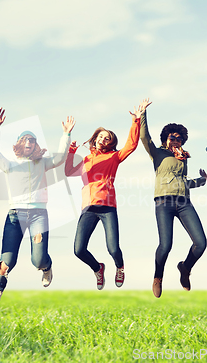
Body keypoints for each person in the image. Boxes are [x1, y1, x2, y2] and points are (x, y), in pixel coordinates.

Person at [0, 109, 75, 311]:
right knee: (7, 261)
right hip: (15, 216)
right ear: (19, 144)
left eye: (32, 140)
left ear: (36, 145)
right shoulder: (10, 165)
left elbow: (61, 158)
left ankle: (47, 267)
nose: (29, 142)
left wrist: (66, 134)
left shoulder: (42, 163)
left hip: (38, 215)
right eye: (25, 140)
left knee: (38, 259)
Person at [64, 100, 145, 290]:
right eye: (101, 136)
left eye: (107, 138)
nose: (103, 139)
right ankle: (97, 268)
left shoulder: (114, 157)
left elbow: (131, 145)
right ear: (95, 138)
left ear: (111, 143)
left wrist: (136, 121)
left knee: (113, 248)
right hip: (88, 208)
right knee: (79, 250)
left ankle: (120, 267)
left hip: (108, 207)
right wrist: (71, 151)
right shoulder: (86, 159)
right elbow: (68, 171)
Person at [140, 102, 207, 297]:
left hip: (184, 203)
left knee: (201, 243)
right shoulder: (158, 153)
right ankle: (158, 277)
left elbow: (183, 182)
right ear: (166, 138)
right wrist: (142, 114)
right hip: (163, 202)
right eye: (172, 137)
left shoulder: (183, 158)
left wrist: (201, 181)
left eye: (179, 138)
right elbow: (144, 137)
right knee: (166, 245)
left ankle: (185, 268)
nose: (176, 140)